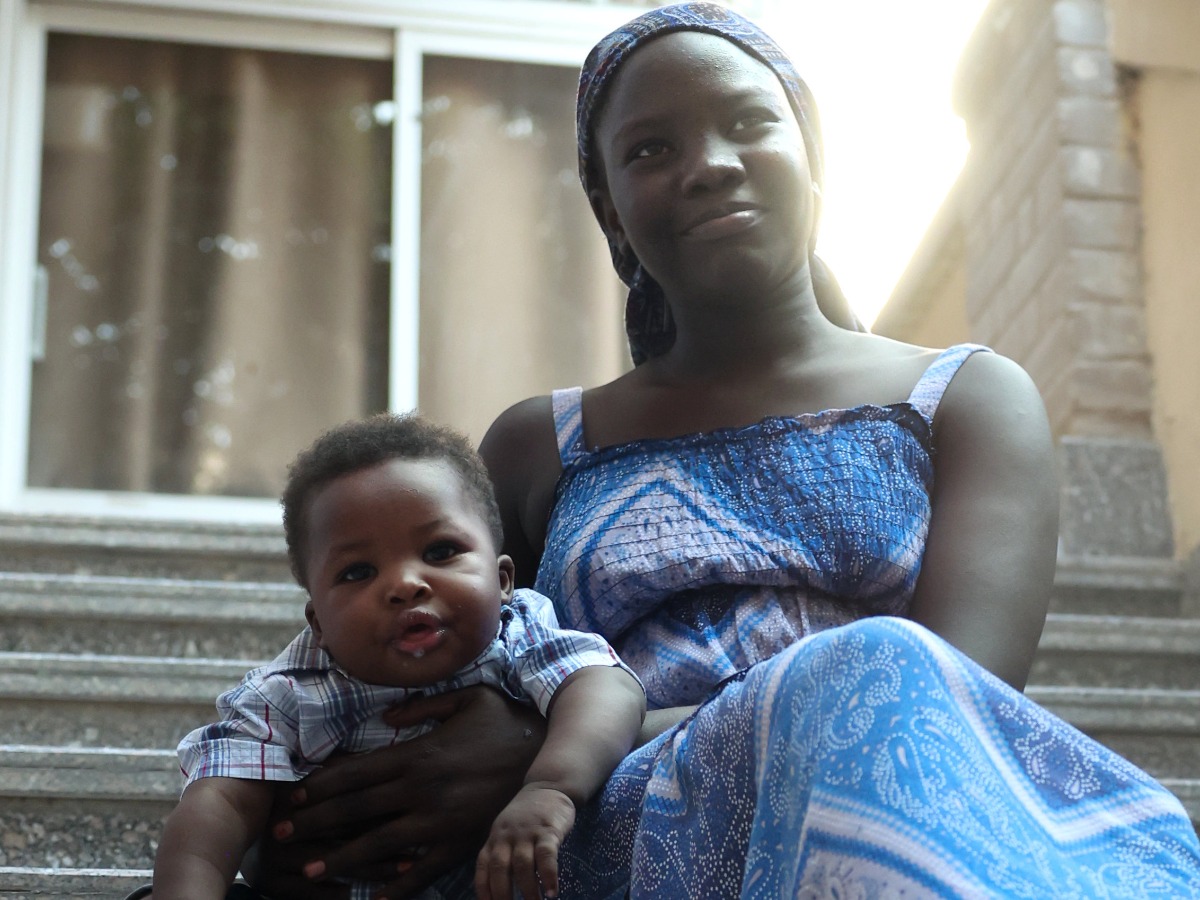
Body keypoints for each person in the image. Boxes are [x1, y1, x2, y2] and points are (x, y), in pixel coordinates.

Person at [233, 4, 1200, 898]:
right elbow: (428, 656)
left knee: (871, 668)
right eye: (651, 148)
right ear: (610, 208)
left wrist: (544, 748)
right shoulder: (538, 444)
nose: (709, 164)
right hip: (605, 835)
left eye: (750, 124)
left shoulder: (967, 399)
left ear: (813, 157)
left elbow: (954, 702)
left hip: (880, 809)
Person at [147, 413, 645, 900]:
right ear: (318, 622)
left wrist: (550, 789)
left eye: (440, 551)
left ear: (503, 580)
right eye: (358, 571)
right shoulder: (287, 695)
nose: (406, 584)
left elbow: (607, 685)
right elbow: (220, 806)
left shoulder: (518, 636)